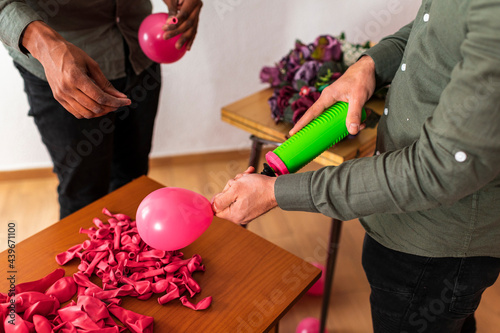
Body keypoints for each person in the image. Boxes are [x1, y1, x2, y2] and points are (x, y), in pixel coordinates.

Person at [212, 0, 500, 332]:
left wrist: (277, 193)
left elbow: (436, 170)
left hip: (437, 248)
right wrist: (369, 65)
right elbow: (433, 32)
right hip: (400, 220)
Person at [0, 0, 202, 218]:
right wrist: (45, 44)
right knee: (83, 196)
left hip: (140, 51)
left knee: (133, 180)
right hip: (63, 69)